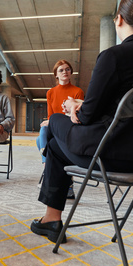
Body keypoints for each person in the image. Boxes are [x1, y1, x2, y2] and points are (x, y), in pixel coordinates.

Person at [30, 0, 133, 243]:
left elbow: (87, 116)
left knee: (54, 122)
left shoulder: (113, 56)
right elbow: (125, 107)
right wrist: (82, 105)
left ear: (119, 20)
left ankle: (52, 220)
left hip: (110, 156)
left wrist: (75, 107)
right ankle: (50, 219)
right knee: (55, 145)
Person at [36, 60, 84, 197]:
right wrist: (49, 121)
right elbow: (51, 115)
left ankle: (47, 170)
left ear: (71, 72)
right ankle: (48, 168)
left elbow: (78, 115)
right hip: (54, 126)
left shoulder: (77, 91)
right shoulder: (50, 93)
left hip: (70, 128)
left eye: (68, 69)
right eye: (61, 70)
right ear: (56, 75)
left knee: (40, 140)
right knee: (43, 131)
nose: (65, 72)